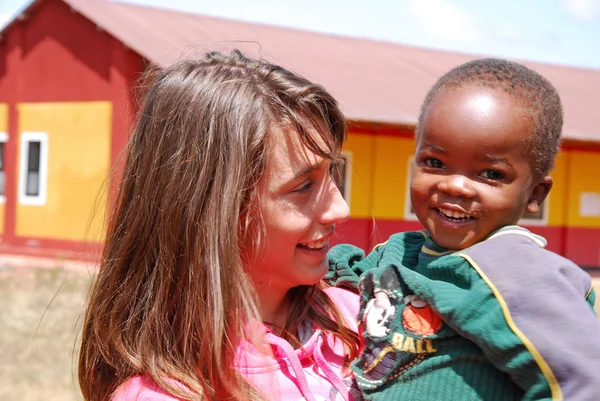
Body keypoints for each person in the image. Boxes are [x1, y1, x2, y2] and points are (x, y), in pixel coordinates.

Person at [78, 49, 362, 401]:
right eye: (303, 186)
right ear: (215, 212)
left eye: (332, 172)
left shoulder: (365, 320)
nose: (340, 209)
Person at [326, 58, 600, 400]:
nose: (455, 186)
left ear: (534, 195)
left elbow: (582, 383)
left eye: (491, 174)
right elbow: (337, 277)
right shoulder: (399, 252)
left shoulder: (520, 275)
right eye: (435, 163)